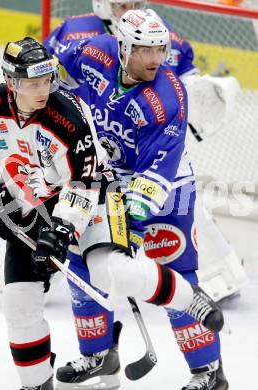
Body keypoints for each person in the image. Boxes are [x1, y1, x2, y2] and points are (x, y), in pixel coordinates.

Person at [0, 36, 224, 390]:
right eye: (32, 83)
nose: (43, 90)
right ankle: (40, 382)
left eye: (47, 80)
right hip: (34, 211)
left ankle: (188, 298)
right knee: (19, 304)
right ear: (12, 83)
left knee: (110, 272)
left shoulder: (66, 115)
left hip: (95, 198)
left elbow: (85, 183)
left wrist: (61, 230)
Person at [53, 9, 229, 390]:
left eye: (160, 50)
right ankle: (99, 355)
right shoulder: (95, 51)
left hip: (166, 189)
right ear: (122, 46)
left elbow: (156, 173)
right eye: (144, 50)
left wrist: (131, 225)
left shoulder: (167, 97)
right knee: (83, 265)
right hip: (104, 178)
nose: (154, 59)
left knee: (174, 274)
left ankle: (209, 372)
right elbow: (57, 66)